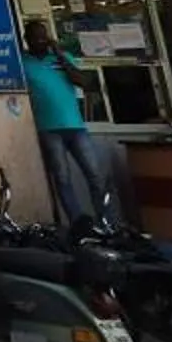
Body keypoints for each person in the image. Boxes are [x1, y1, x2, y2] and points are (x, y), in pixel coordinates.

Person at [22, 19, 109, 224]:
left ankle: (107, 221)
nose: (41, 41)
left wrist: (60, 55)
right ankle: (79, 223)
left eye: (44, 36)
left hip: (75, 126)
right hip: (48, 128)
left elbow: (83, 82)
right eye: (36, 37)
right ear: (27, 40)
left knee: (95, 175)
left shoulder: (63, 59)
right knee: (62, 178)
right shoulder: (23, 63)